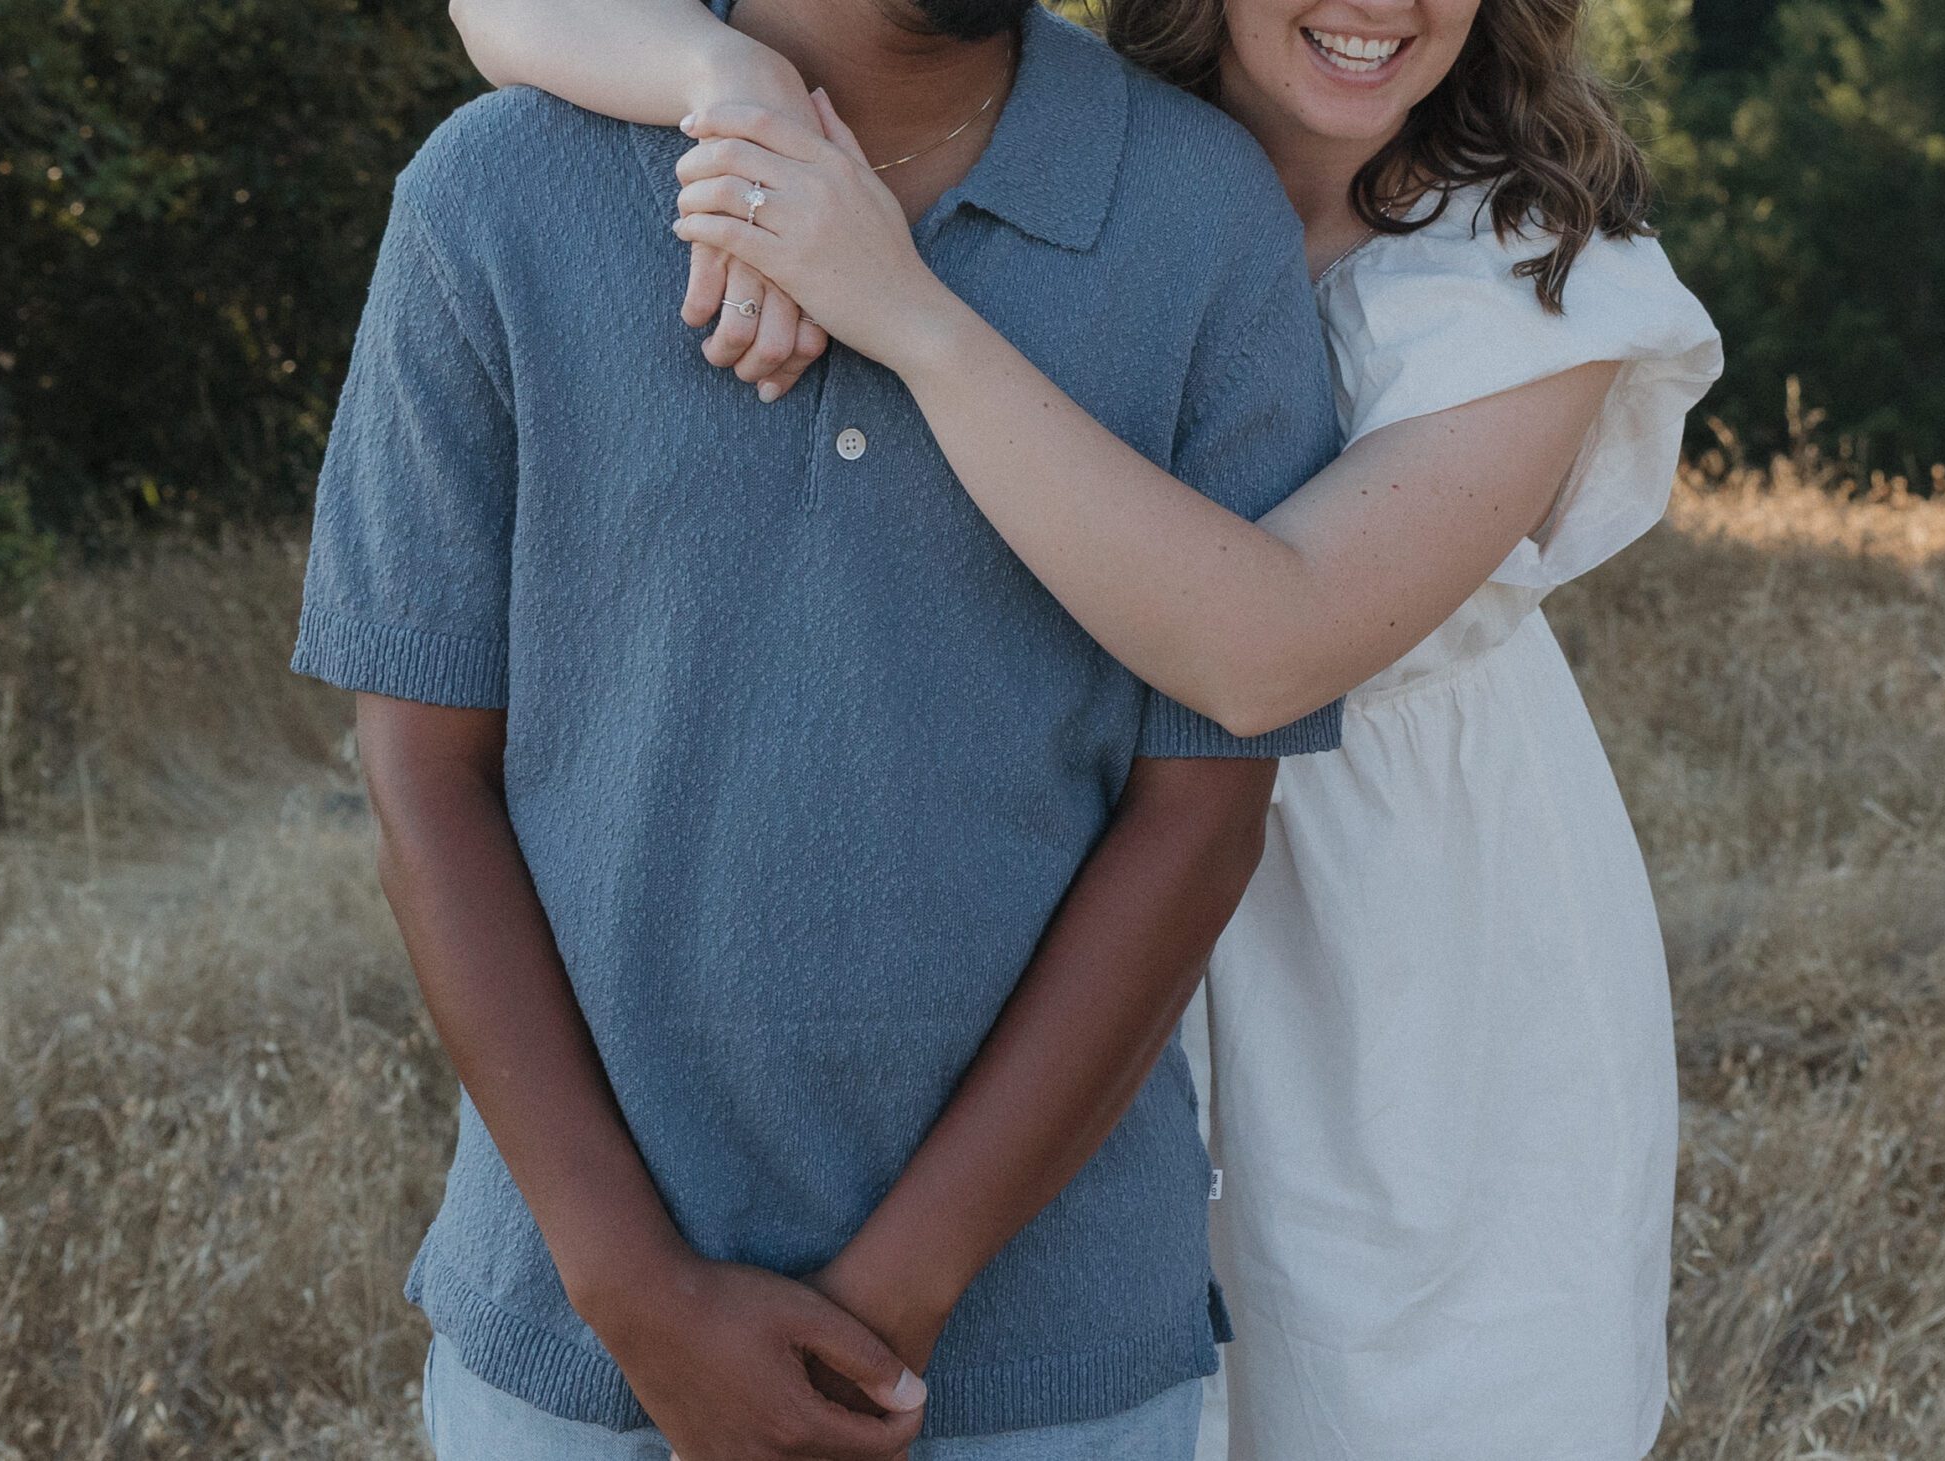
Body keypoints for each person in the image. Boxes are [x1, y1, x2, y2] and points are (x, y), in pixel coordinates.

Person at [450, 1, 1728, 1458]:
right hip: (1053, 871)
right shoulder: (1054, 127)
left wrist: (902, 304)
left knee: (1414, 1389)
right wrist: (733, 81)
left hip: (1392, 942)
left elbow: (1266, 655)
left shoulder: (1536, 280)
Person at [289, 1, 1354, 1457]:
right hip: (579, 1347)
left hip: (1051, 1359)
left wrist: (899, 1293)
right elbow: (422, 772)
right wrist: (636, 1294)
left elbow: (1203, 808)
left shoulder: (1195, 206)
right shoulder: (497, 191)